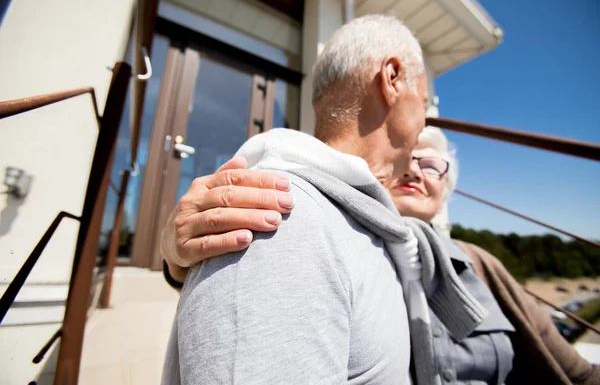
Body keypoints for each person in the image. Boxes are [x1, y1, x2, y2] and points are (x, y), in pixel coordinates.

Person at [162, 126, 600, 384]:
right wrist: (177, 262)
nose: (415, 170)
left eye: (431, 165)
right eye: (406, 159)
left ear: (445, 188)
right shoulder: (343, 240)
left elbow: (571, 369)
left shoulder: (479, 263)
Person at [162, 14, 445, 384]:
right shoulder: (286, 224)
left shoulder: (367, 222)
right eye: (423, 101)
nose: (426, 120)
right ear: (392, 79)